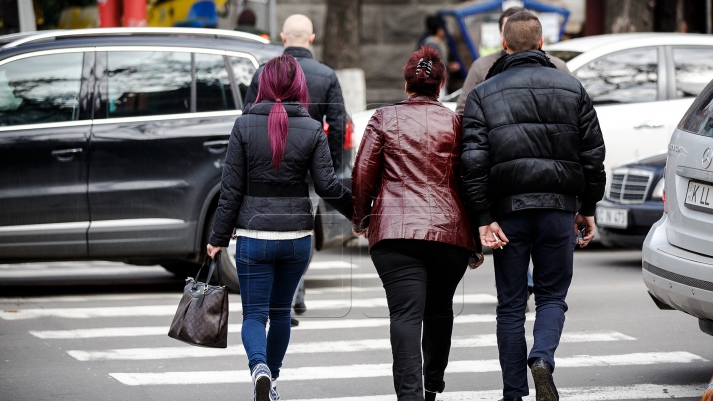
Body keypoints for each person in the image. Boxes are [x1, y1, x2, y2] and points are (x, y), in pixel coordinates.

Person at [460, 11, 605, 401]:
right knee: (552, 297)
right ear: (541, 44)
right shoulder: (572, 88)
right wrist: (587, 206)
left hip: (507, 215)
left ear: (503, 46)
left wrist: (483, 217)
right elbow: (593, 155)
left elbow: (472, 163)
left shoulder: (482, 93)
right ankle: (542, 359)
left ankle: (513, 393)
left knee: (509, 305)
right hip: (558, 209)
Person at [207, 54, 352, 401]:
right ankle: (271, 382)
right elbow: (328, 186)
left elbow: (231, 190)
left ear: (263, 84)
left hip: (253, 237)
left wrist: (217, 237)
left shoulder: (243, 126)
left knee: (255, 315)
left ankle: (258, 368)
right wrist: (362, 212)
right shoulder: (313, 129)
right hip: (297, 238)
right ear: (299, 86)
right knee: (281, 313)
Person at [352, 46, 475, 401]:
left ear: (406, 83)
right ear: (440, 86)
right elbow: (470, 179)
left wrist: (360, 219)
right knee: (439, 310)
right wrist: (475, 240)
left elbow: (362, 175)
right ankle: (433, 382)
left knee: (405, 315)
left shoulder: (383, 117)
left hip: (394, 232)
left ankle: (410, 396)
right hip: (449, 232)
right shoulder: (456, 122)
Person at [244, 14, 347, 320]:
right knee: (301, 229)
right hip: (309, 168)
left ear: (283, 38)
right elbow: (339, 124)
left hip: (267, 167)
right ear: (312, 38)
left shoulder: (265, 72)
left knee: (269, 230)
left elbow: (247, 116)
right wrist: (329, 165)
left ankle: (285, 300)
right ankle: (294, 295)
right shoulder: (327, 75)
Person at [454, 6, 570, 115]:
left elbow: (572, 110)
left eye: (524, 30)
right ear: (502, 36)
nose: (517, 35)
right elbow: (463, 110)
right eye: (509, 30)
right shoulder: (482, 67)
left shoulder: (558, 67)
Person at [419, 15, 460, 97]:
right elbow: (433, 66)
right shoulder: (431, 44)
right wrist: (449, 67)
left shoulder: (435, 42)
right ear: (439, 30)